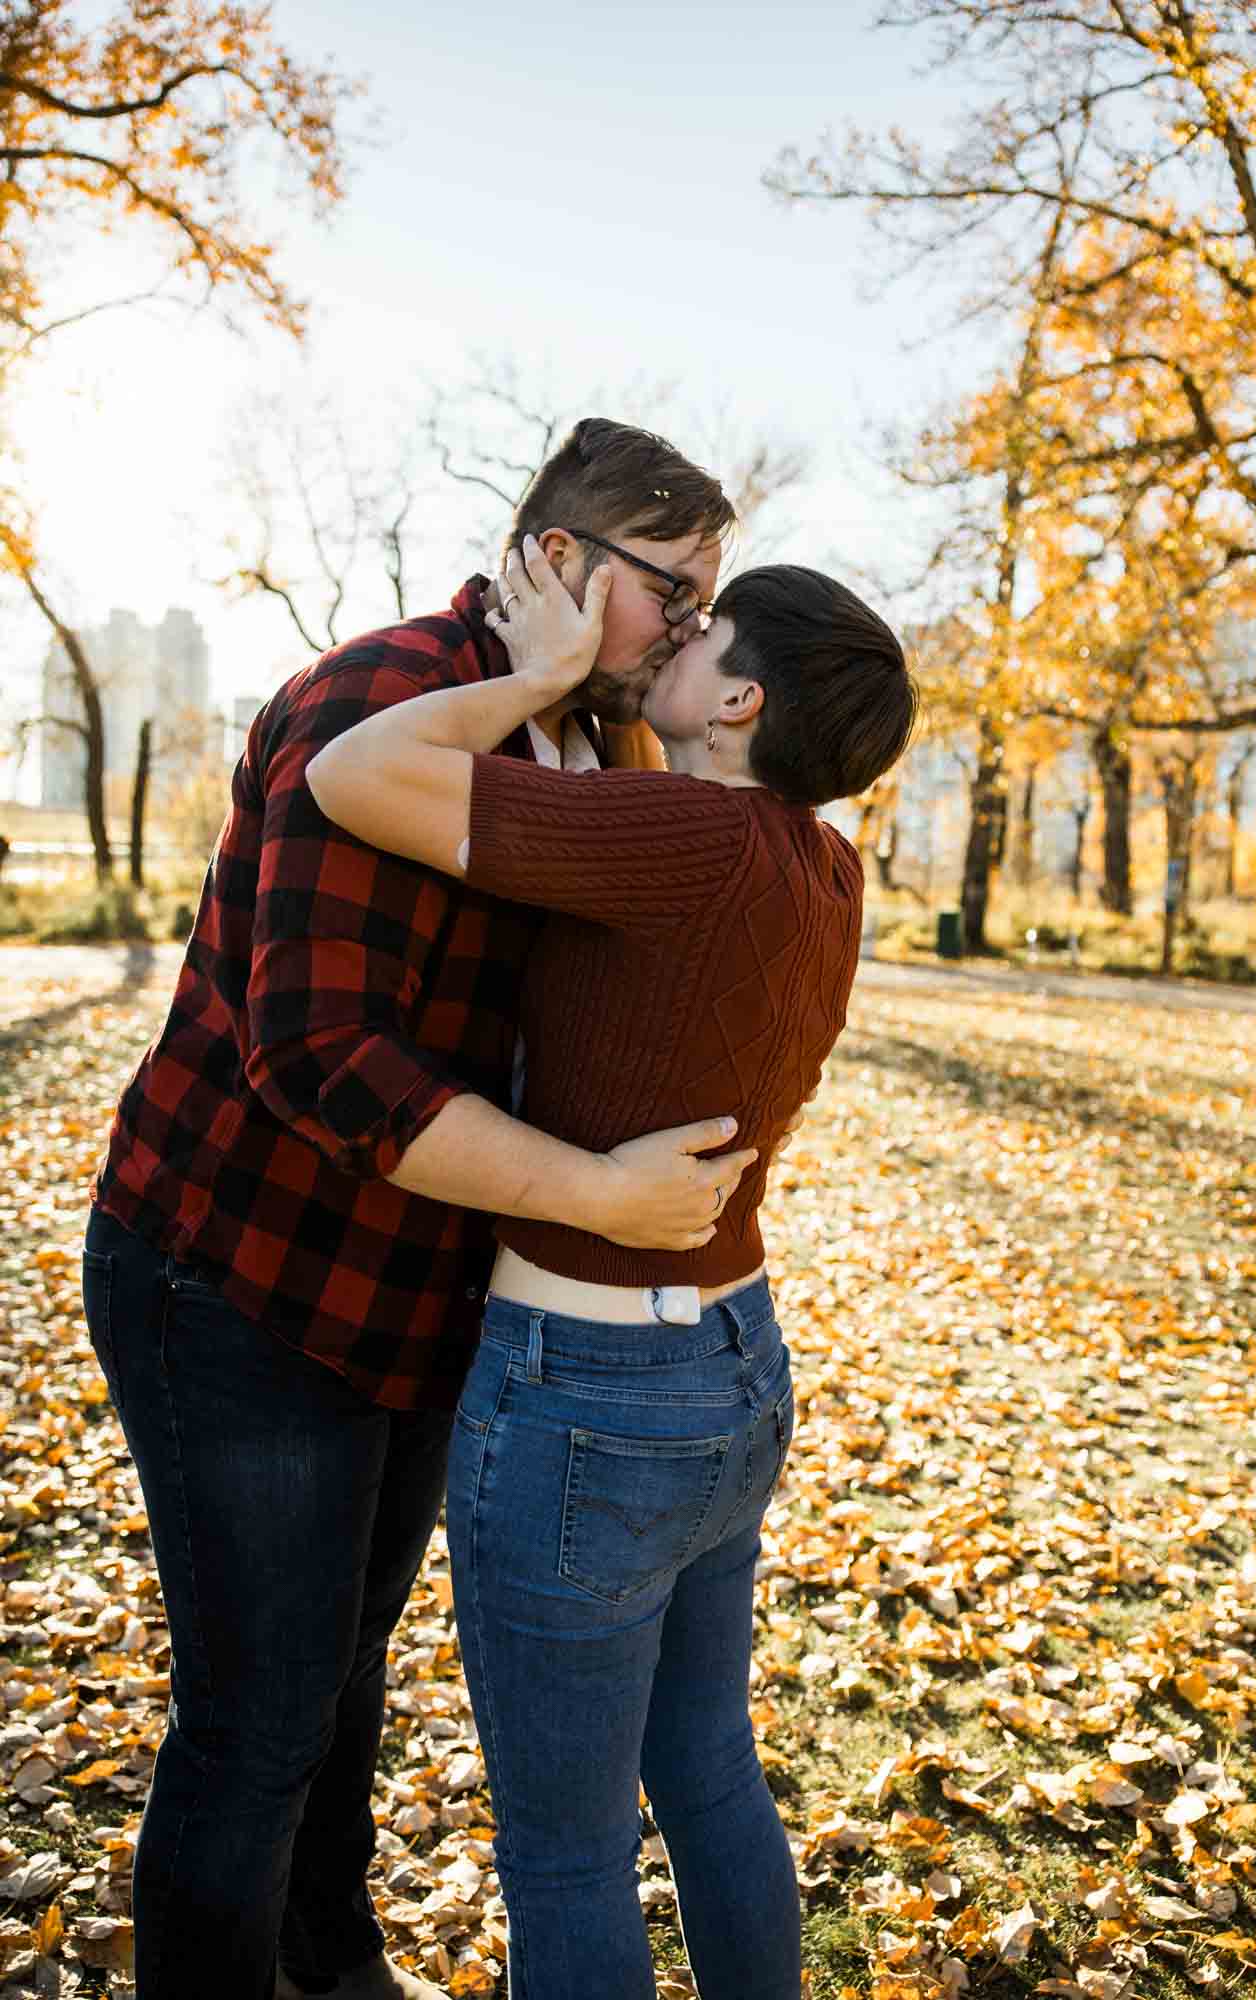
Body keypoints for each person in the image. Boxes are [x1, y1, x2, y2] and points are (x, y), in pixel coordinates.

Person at [79, 420, 763, 2000]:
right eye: (671, 589)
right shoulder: (379, 700)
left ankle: (332, 1963)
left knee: (342, 1679)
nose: (688, 627)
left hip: (412, 1297)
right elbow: (318, 1054)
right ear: (557, 563)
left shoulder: (601, 749)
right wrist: (594, 1193)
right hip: (241, 1275)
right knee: (256, 1721)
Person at [307, 535, 918, 2000]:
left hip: (587, 1396)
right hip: (730, 1370)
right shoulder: (820, 871)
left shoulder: (676, 843)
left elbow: (348, 775)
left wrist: (535, 675)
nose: (673, 649)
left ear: (741, 706)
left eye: (706, 644)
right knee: (709, 1772)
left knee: (569, 1859)